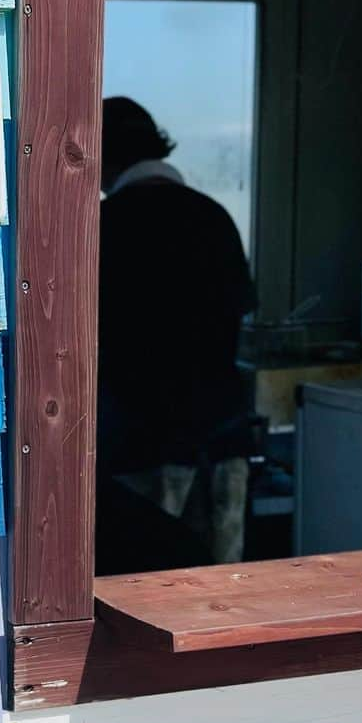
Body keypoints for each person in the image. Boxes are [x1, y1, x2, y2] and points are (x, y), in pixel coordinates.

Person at [97, 96, 255, 568]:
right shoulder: (215, 217)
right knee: (225, 597)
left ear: (103, 157)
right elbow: (239, 314)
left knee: (144, 593)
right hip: (220, 440)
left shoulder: (109, 225)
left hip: (140, 442)